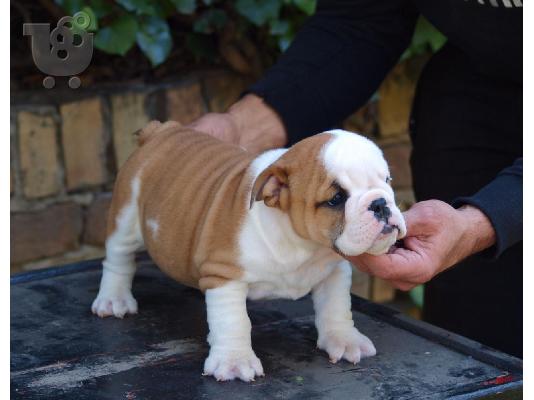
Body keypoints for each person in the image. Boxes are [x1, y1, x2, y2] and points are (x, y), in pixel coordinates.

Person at [188, 0, 523, 357]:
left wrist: (485, 219)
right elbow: (362, 17)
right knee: (475, 351)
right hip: (480, 98)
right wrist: (243, 125)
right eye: (335, 199)